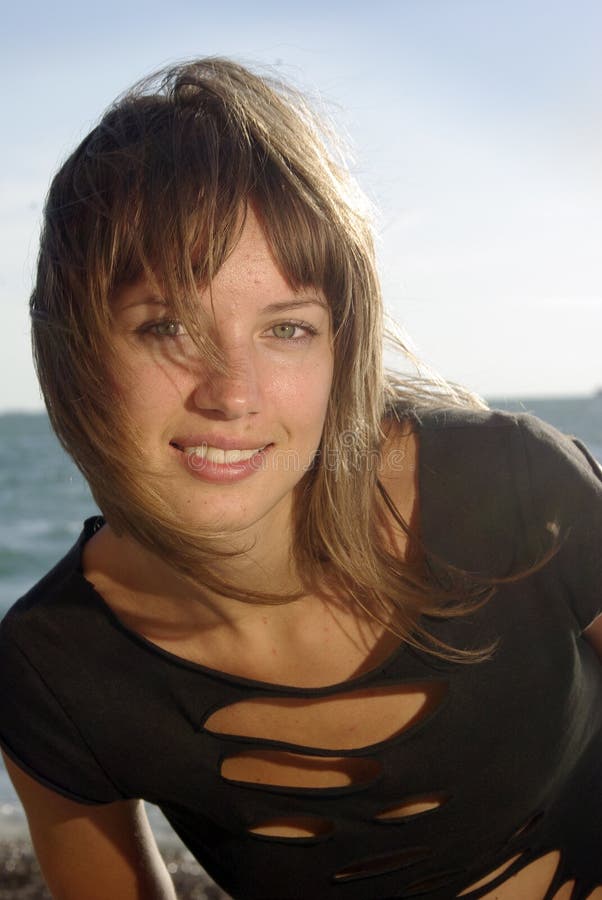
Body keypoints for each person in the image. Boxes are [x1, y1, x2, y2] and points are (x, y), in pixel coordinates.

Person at [0, 57, 601, 900]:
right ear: (77, 351)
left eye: (286, 328)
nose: (233, 393)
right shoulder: (56, 668)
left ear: (340, 350)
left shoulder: (508, 483)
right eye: (167, 324)